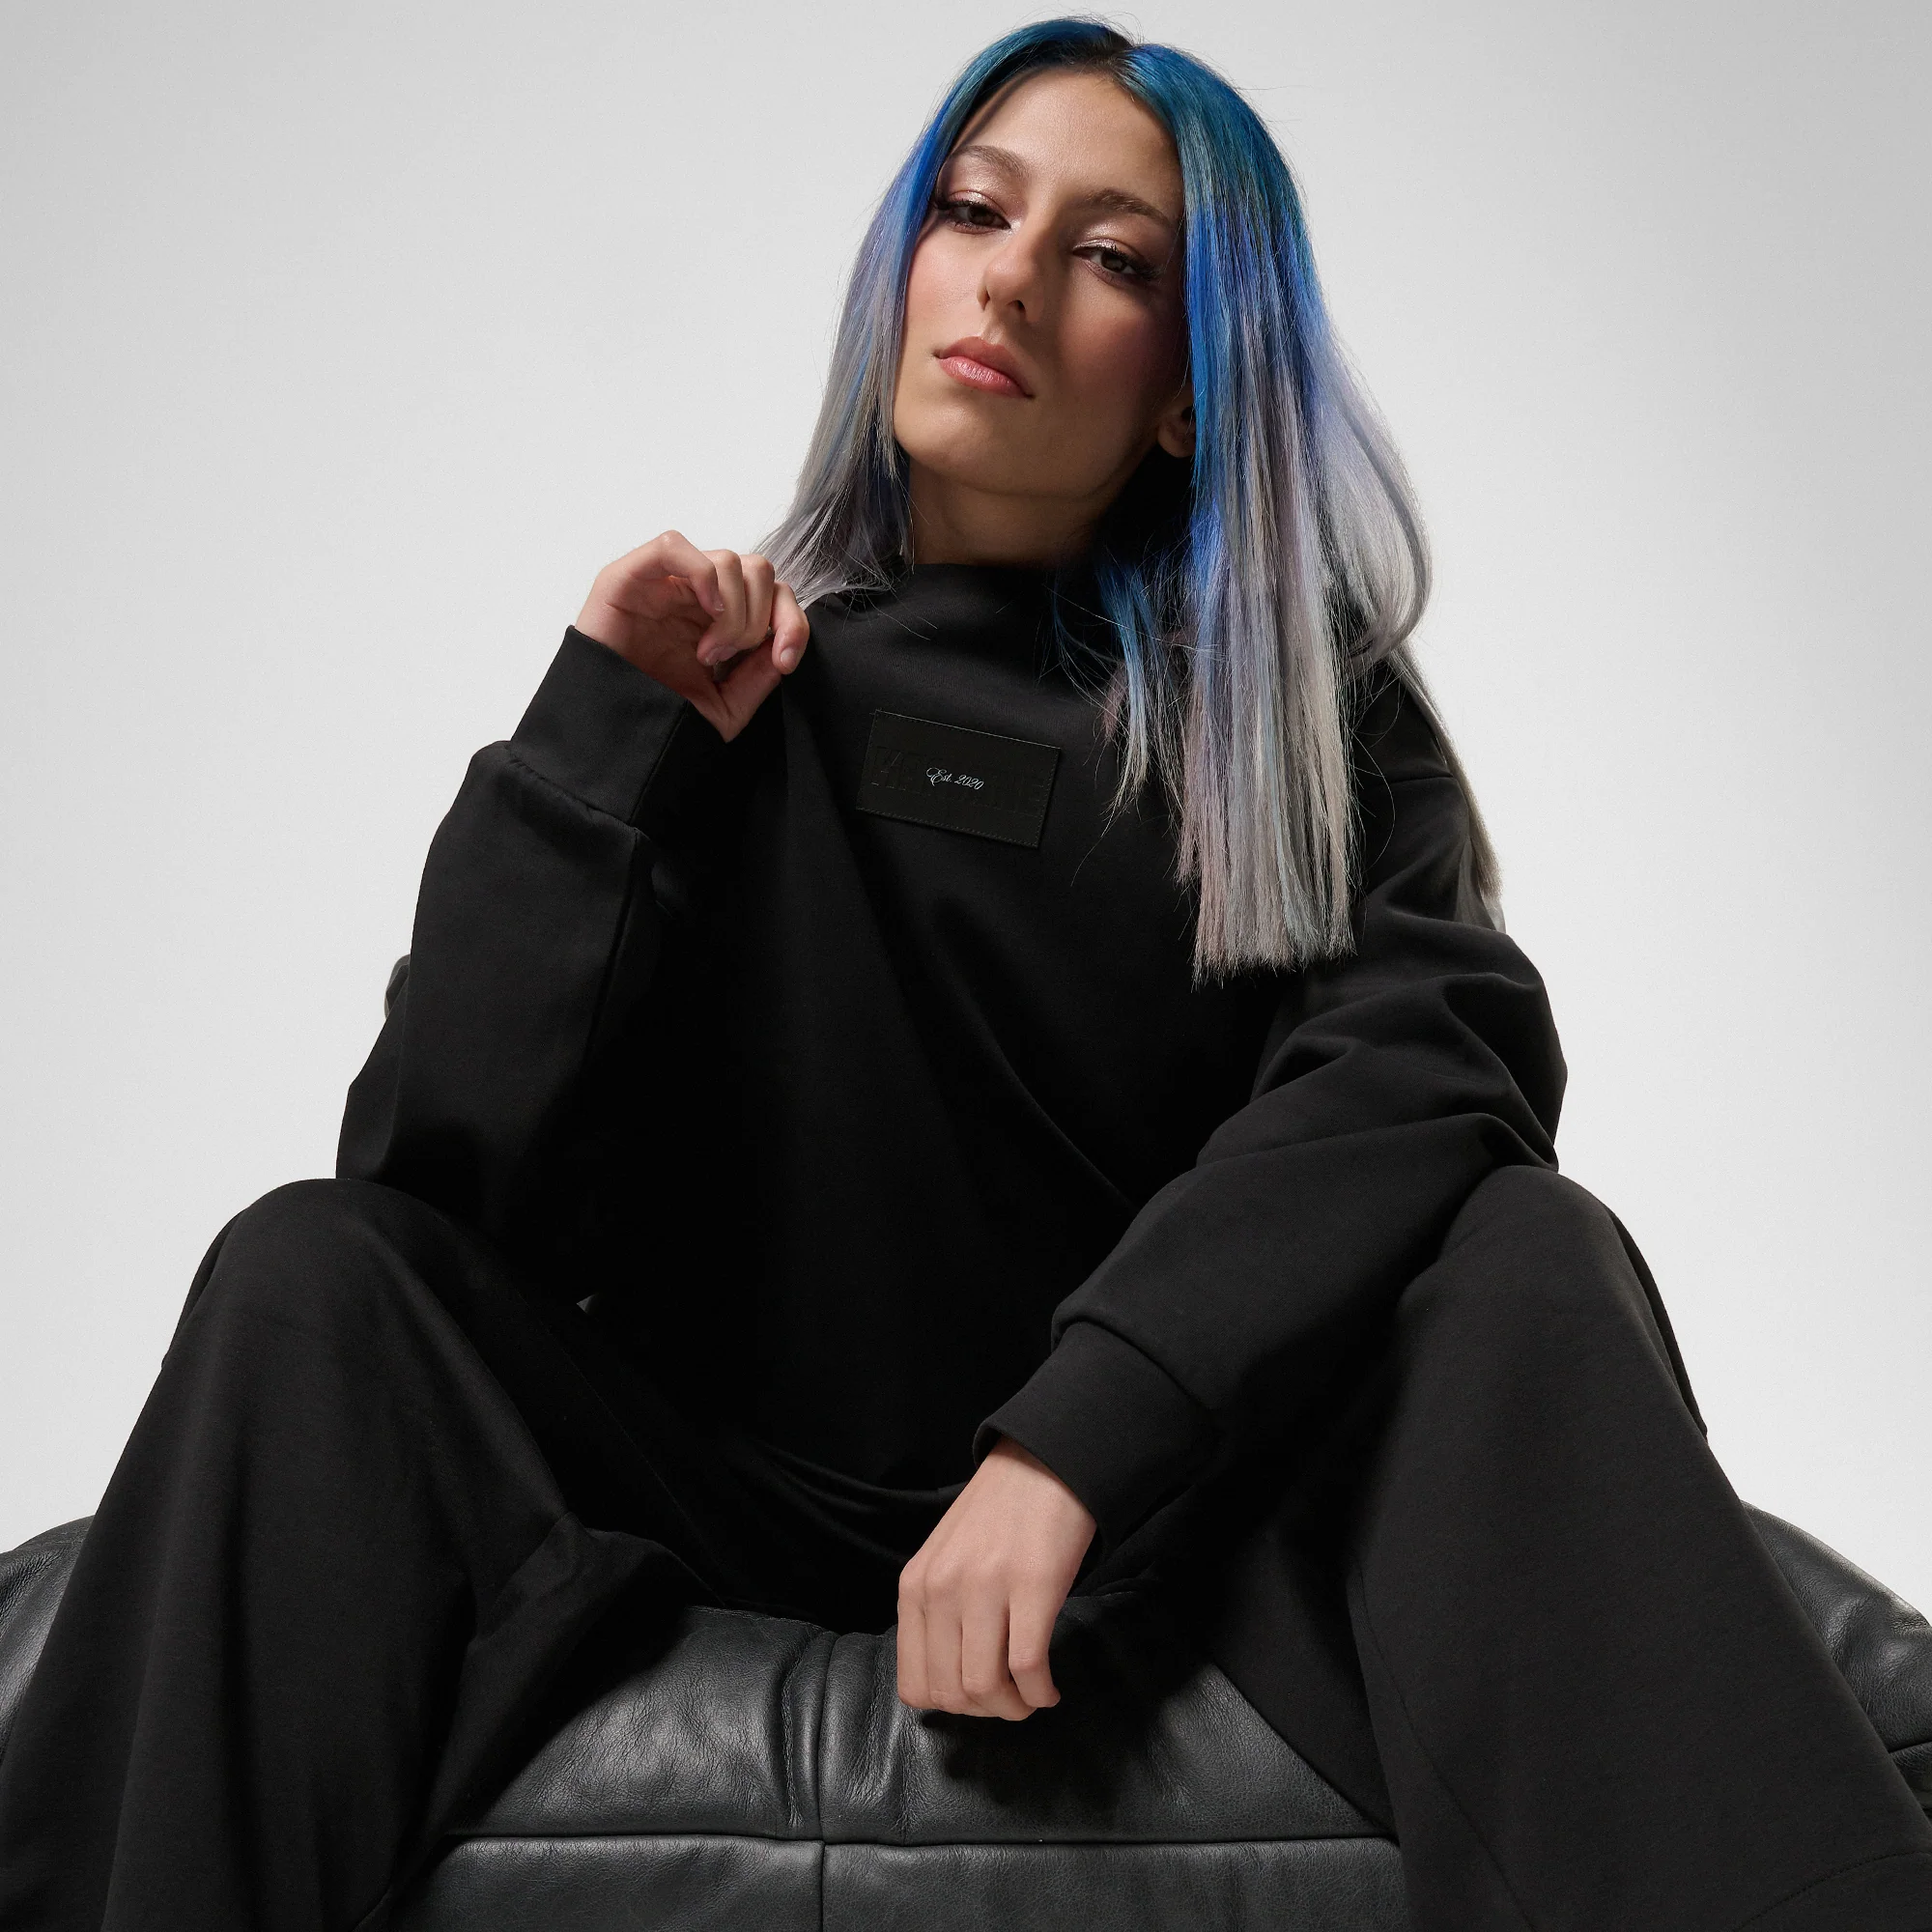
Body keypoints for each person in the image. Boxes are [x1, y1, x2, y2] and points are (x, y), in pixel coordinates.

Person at [2, 18, 1927, 1932]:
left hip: (1169, 1520)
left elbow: (1435, 1059)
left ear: (1187, 393)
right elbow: (432, 1192)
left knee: (1521, 1241)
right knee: (307, 1265)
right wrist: (588, 747)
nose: (1008, 278)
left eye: (1111, 257)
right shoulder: (717, 695)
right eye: (974, 211)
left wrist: (1076, 1438)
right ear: (903, 272)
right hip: (718, 1493)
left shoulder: (1302, 728)